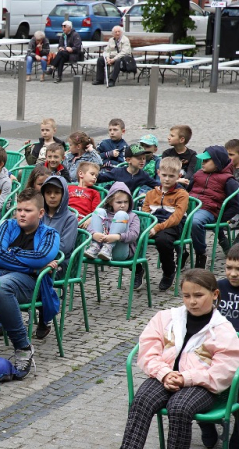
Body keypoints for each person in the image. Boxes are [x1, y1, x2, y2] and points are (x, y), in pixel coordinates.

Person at [119, 269, 239, 449]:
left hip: (201, 385)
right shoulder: (166, 318)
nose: (192, 301)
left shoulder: (223, 330)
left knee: (180, 407)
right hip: (164, 377)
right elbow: (148, 351)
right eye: (186, 295)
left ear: (214, 294)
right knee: (142, 401)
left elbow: (222, 372)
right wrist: (165, 374)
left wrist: (186, 378)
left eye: (198, 295)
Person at [0, 189, 60, 377]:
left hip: (32, 284)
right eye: (19, 209)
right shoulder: (7, 226)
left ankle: (23, 347)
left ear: (41, 213)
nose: (21, 214)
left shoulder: (50, 234)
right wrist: (33, 266)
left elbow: (42, 256)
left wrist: (12, 254)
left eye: (27, 210)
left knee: (1, 287)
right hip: (14, 273)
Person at [199, 245, 239, 448]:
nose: (233, 273)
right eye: (229, 267)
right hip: (215, 347)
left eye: (238, 269)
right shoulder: (218, 288)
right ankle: (206, 423)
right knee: (195, 373)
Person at [142, 157, 189, 292]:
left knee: (163, 240)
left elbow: (176, 218)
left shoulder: (182, 194)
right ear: (158, 173)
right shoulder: (151, 193)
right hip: (153, 224)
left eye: (171, 176)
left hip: (172, 226)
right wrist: (149, 226)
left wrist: (157, 228)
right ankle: (138, 269)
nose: (167, 179)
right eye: (164, 175)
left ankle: (169, 271)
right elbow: (145, 213)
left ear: (179, 176)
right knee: (130, 236)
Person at [187, 146, 239, 268]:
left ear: (217, 163)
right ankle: (182, 253)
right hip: (190, 206)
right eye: (202, 161)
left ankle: (201, 253)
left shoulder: (228, 180)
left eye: (206, 161)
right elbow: (187, 191)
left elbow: (236, 204)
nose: (202, 163)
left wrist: (220, 218)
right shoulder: (198, 174)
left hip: (208, 210)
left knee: (195, 223)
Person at [38, 175, 77, 338]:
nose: (52, 196)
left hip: (61, 263)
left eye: (56, 193)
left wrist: (39, 253)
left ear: (63, 195)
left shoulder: (69, 219)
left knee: (39, 273)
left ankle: (44, 318)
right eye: (48, 193)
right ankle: (6, 318)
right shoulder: (39, 214)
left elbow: (64, 247)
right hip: (38, 260)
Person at [84, 182, 142, 286]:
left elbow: (134, 235)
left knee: (121, 215)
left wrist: (117, 237)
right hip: (100, 250)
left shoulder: (133, 216)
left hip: (120, 251)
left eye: (126, 202)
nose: (123, 205)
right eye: (119, 202)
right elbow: (89, 228)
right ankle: (95, 246)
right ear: (111, 202)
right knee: (98, 211)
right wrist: (94, 234)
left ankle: (108, 248)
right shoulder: (105, 213)